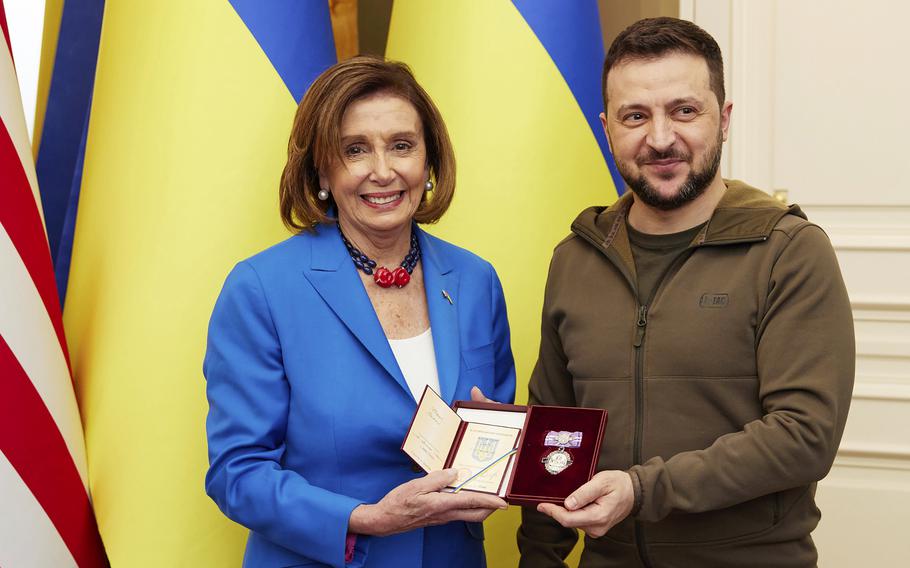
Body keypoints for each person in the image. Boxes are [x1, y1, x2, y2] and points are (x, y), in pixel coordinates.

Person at [517, 17, 854, 568]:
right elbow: (555, 427)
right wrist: (540, 558)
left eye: (684, 110)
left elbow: (804, 436)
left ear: (723, 120)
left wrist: (642, 490)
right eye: (635, 116)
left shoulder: (789, 251)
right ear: (607, 128)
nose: (660, 138)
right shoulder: (574, 259)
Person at [204, 56, 515, 568]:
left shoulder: (476, 280)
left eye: (402, 145)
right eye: (355, 150)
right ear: (322, 169)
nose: (384, 171)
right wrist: (365, 517)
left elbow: (495, 438)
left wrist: (496, 458)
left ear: (429, 160)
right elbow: (237, 473)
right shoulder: (261, 288)